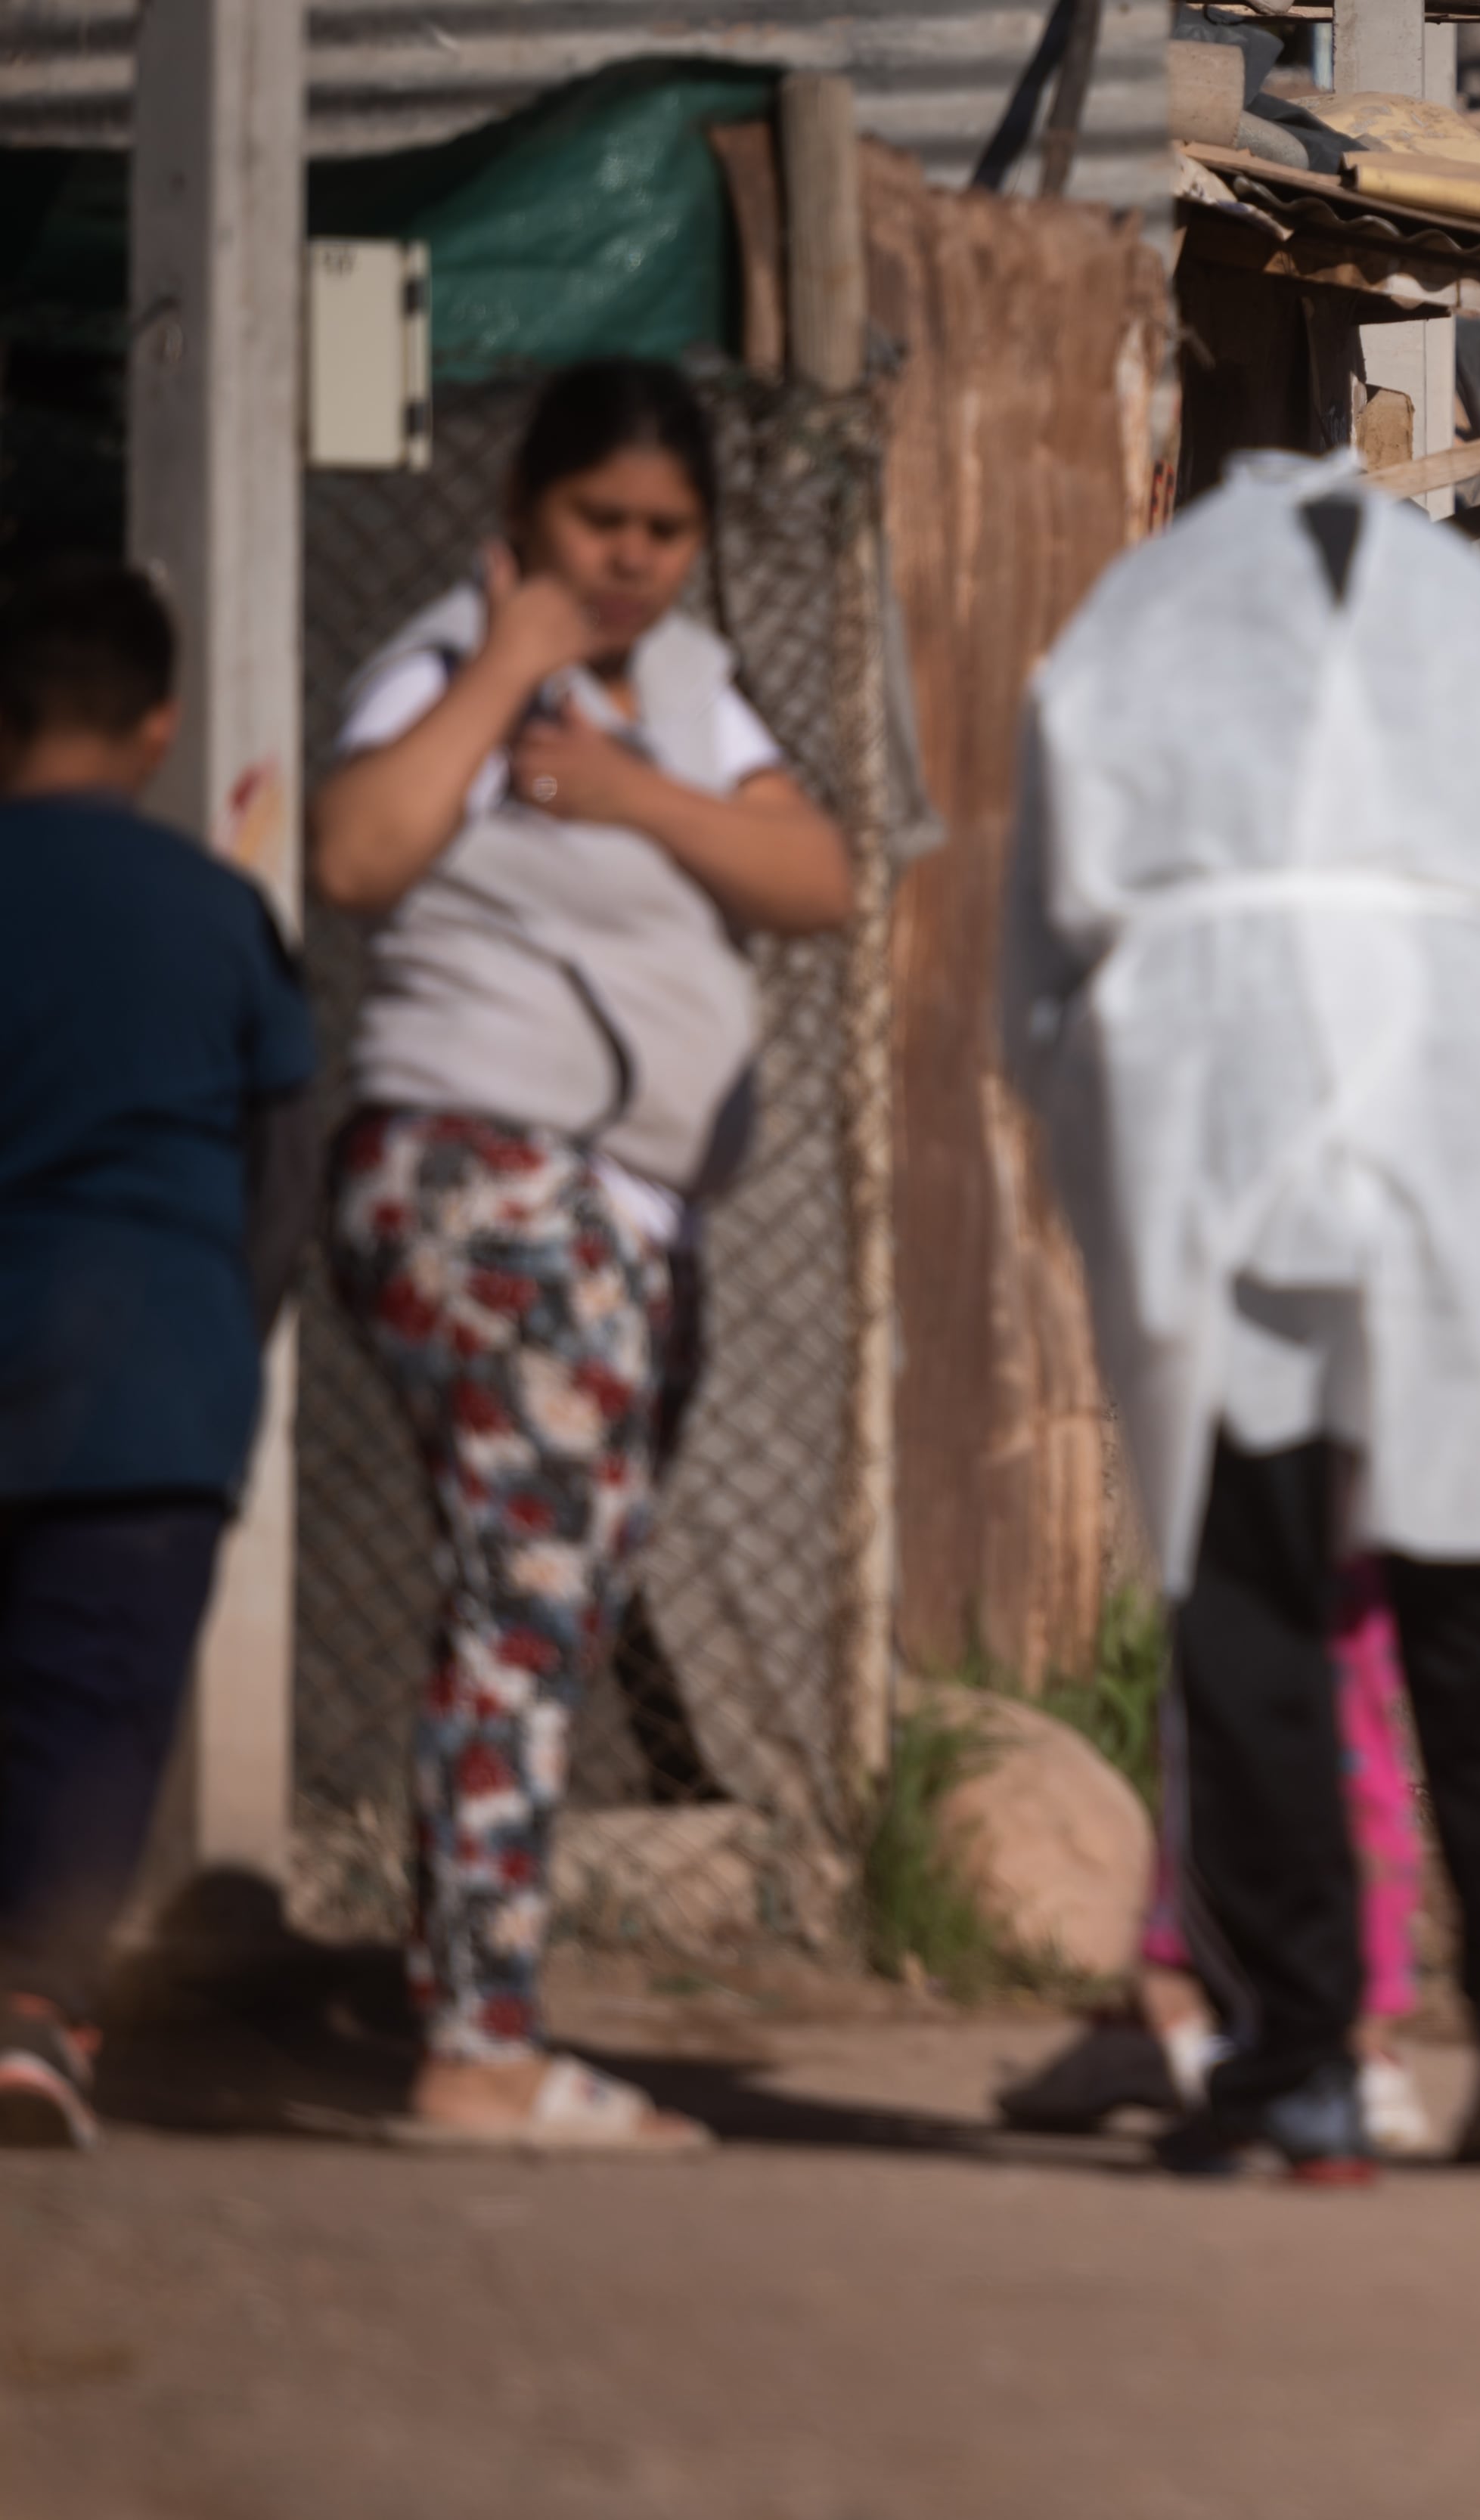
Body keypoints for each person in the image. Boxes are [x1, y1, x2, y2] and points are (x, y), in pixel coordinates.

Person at [1007, 454, 1480, 2182]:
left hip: (1200, 1105)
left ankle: (1306, 2053)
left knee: (1248, 1598)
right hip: (1456, 1118)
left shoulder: (1127, 639)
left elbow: (1037, 991)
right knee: (1463, 1578)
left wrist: (1114, 1183)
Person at [309, 358, 853, 2150]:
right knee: (526, 1603)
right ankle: (477, 2042)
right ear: (525, 513)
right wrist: (499, 662)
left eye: (662, 531)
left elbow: (813, 872)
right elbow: (360, 847)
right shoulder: (438, 656)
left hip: (622, 1213)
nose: (625, 559)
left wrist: (627, 792)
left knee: (535, 1597)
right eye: (592, 522)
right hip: (487, 1180)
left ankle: (472, 1994)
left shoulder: (683, 691)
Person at [0, 560, 319, 2151]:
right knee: (93, 1705)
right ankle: (37, 2012)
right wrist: (225, 1336)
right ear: (158, 725)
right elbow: (287, 1160)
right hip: (155, 1384)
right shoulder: (220, 912)